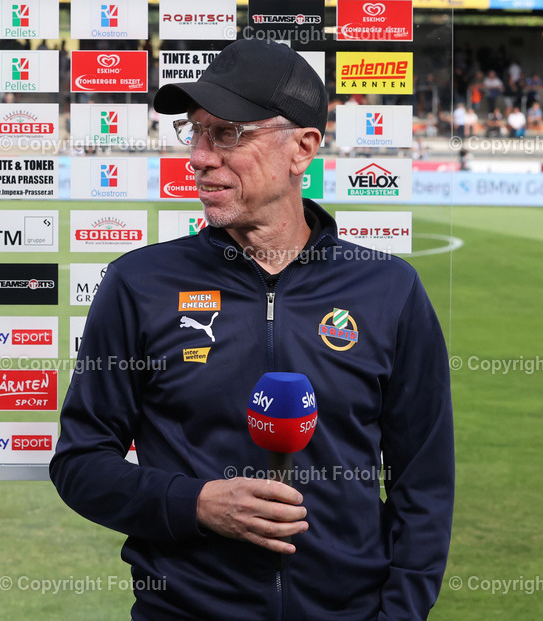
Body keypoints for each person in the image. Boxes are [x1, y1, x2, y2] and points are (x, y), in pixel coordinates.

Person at [51, 38, 454, 620]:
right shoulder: (138, 283)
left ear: (303, 149)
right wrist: (197, 504)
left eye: (228, 134)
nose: (199, 155)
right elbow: (80, 463)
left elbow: (424, 482)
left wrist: (399, 613)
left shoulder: (389, 289)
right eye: (194, 131)